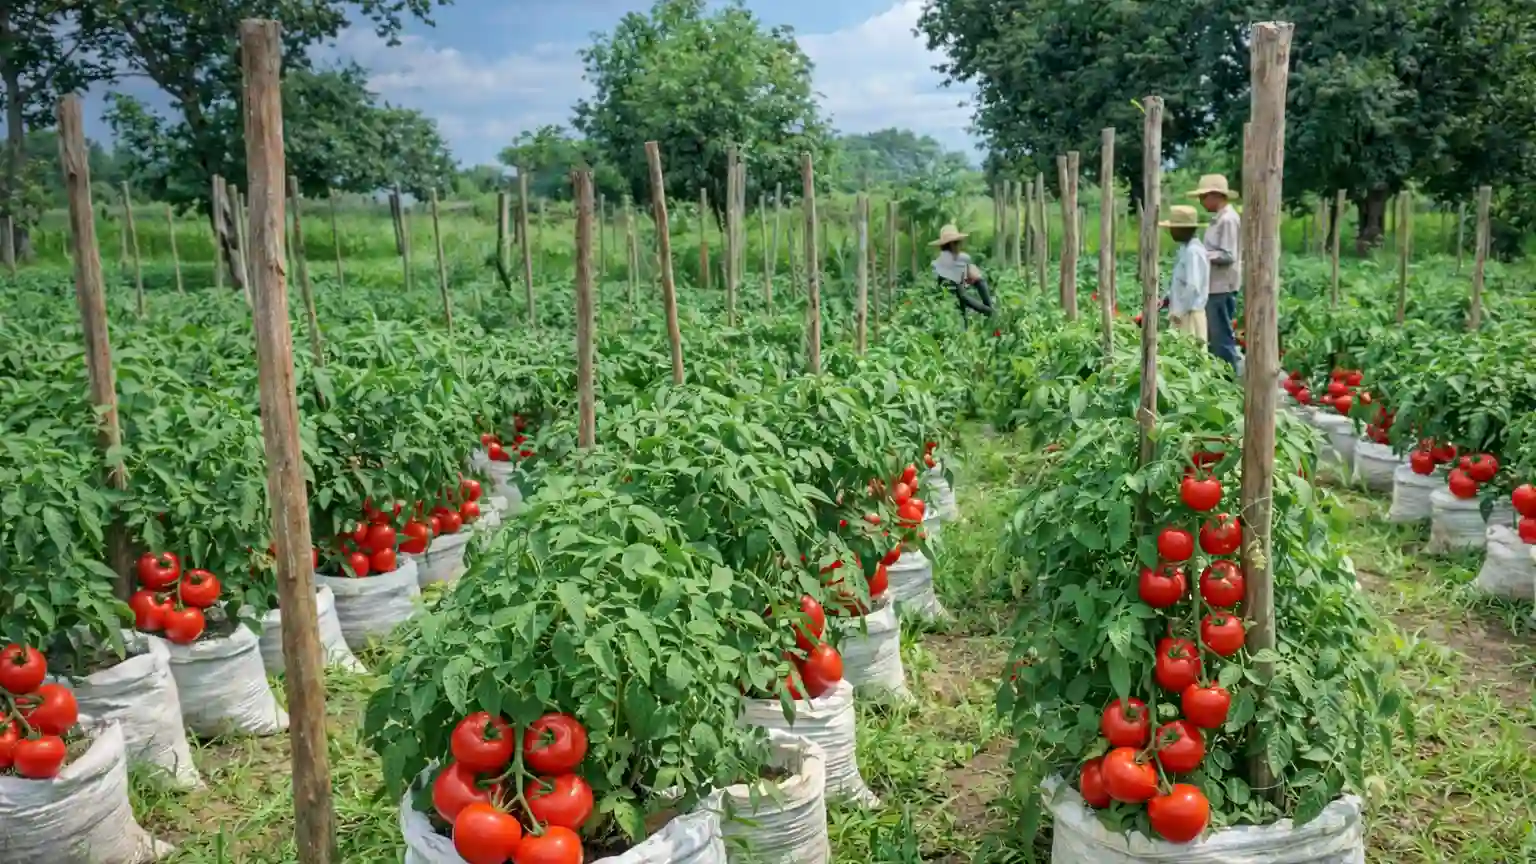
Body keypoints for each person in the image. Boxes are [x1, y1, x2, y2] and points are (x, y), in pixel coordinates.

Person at [1190, 174, 1242, 370]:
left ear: (1215, 195)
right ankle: (1222, 375)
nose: (1202, 202)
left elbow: (1228, 255)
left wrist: (1202, 255)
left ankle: (1229, 379)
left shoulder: (1228, 220)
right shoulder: (1219, 219)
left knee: (1222, 336)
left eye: (1204, 197)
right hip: (1214, 284)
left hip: (1222, 286)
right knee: (1216, 334)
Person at [1159, 205, 1209, 342]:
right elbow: (1181, 282)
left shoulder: (1193, 252)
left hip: (1189, 315)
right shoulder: (1185, 249)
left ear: (1182, 229)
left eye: (1173, 229)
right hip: (1183, 313)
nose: (1170, 232)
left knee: (1189, 354)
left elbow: (1192, 287)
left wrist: (1178, 312)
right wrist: (1168, 299)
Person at [929, 224, 994, 323]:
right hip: (950, 300)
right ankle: (989, 313)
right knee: (960, 307)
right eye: (957, 243)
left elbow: (972, 277)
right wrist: (986, 310)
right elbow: (962, 296)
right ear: (952, 245)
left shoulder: (960, 259)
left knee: (977, 282)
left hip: (957, 296)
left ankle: (989, 314)